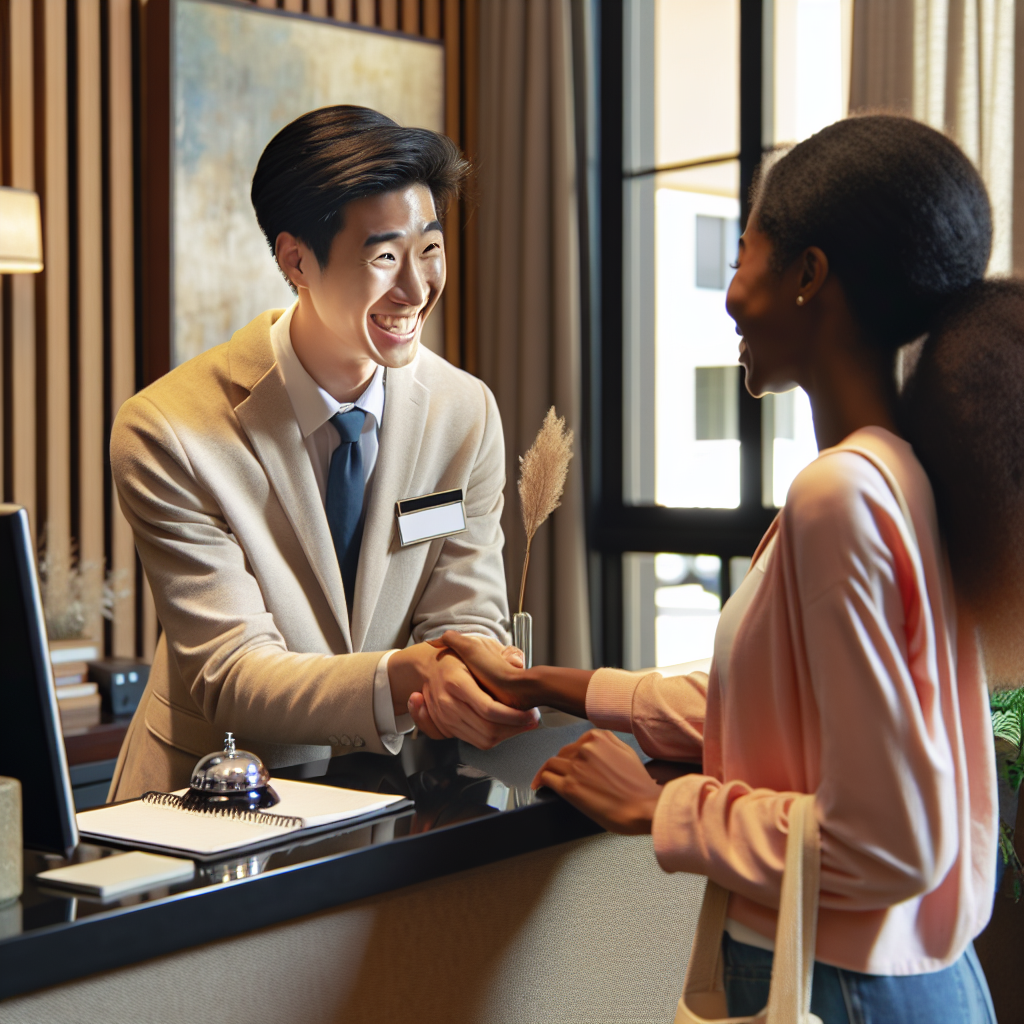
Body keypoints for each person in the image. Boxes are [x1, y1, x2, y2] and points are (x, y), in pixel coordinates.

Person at [422, 115, 1001, 1022]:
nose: (729, 294)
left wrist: (662, 809)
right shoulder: (902, 475)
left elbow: (892, 843)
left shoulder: (840, 495)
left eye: (743, 255)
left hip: (842, 988)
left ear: (807, 276)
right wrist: (553, 685)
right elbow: (785, 705)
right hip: (906, 983)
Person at [108, 106, 537, 801]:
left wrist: (470, 667)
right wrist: (406, 677)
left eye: (430, 249)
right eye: (385, 257)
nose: (416, 289)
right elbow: (231, 672)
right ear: (296, 260)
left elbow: (464, 608)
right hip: (215, 798)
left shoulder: (465, 412)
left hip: (390, 797)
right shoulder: (167, 430)